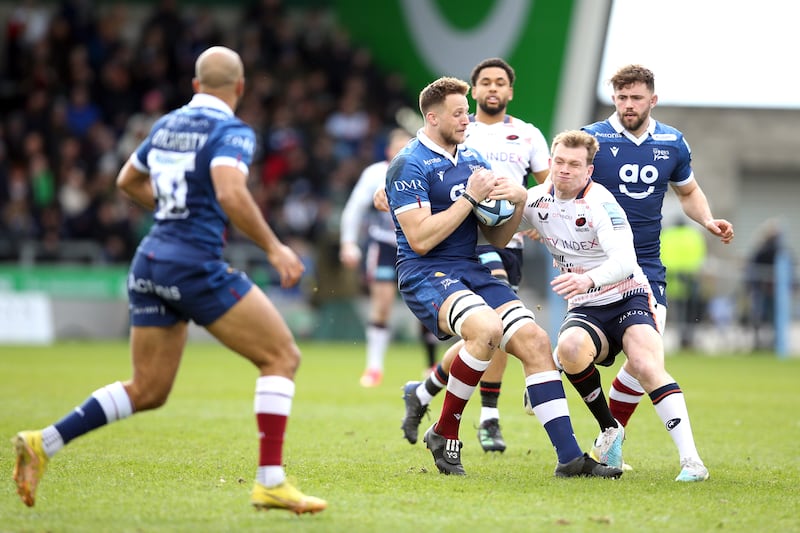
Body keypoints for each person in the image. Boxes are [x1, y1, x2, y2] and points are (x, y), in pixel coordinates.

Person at [11, 46, 327, 514]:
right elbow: (229, 190)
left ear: (196, 86)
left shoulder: (166, 125)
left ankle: (43, 442)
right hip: (192, 264)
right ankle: (271, 482)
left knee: (148, 390)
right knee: (282, 355)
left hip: (151, 260)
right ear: (239, 88)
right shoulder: (231, 130)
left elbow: (126, 180)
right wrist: (274, 246)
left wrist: (172, 211)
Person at [384, 76, 620, 478]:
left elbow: (497, 236)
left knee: (535, 341)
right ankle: (446, 431)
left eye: (466, 111)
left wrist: (517, 201)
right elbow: (420, 240)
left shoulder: (473, 158)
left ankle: (569, 458)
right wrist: (471, 199)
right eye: (458, 113)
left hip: (471, 265)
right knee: (486, 330)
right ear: (432, 116)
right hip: (426, 273)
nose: (466, 118)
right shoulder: (408, 164)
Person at [521, 129, 709, 481]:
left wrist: (587, 279)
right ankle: (610, 429)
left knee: (645, 365)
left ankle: (692, 462)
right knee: (571, 347)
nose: (564, 170)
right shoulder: (534, 200)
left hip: (628, 295)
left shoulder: (600, 202)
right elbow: (499, 229)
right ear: (549, 163)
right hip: (586, 304)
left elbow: (625, 260)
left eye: (574, 165)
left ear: (588, 171)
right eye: (559, 162)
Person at [399, 57, 550, 453]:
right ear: (476, 88)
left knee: (489, 336)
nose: (493, 89)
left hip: (501, 240)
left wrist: (526, 208)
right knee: (490, 327)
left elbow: (549, 191)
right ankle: (489, 417)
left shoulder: (528, 135)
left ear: (510, 91)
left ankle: (425, 390)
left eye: (501, 82)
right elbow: (416, 192)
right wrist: (392, 197)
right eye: (486, 82)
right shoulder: (455, 139)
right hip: (466, 252)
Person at [581, 64, 734, 456]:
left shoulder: (672, 142)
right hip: (595, 266)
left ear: (653, 99)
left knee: (642, 360)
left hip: (646, 267)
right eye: (621, 97)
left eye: (636, 98)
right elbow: (561, 185)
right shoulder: (591, 141)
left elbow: (689, 191)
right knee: (586, 353)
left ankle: (610, 442)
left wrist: (707, 219)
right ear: (613, 98)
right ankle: (550, 385)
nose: (628, 105)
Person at [339, 128, 438, 387]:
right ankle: (374, 367)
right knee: (381, 305)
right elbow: (354, 207)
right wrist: (348, 243)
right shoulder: (374, 173)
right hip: (383, 244)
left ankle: (430, 365)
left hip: (417, 247)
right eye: (397, 148)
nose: (402, 153)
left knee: (426, 307)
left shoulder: (423, 169)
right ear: (388, 151)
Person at [660, 220, 707, 349]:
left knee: (680, 311)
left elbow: (661, 255)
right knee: (692, 311)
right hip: (691, 277)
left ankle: (683, 337)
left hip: (673, 278)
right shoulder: (694, 235)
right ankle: (688, 337)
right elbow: (700, 255)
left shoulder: (667, 234)